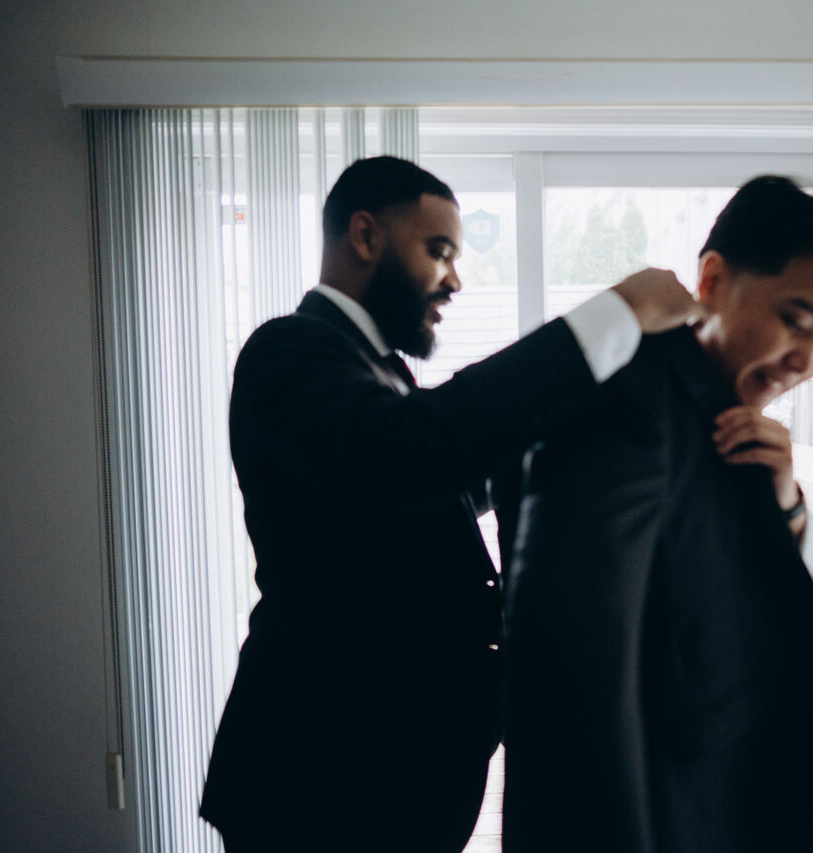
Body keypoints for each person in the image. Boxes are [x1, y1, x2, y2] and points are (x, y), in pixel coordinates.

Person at [198, 156, 698, 852]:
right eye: (439, 252)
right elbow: (412, 452)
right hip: (318, 780)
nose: (455, 280)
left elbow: (441, 481)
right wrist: (615, 314)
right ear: (365, 236)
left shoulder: (379, 372)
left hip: (386, 781)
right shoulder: (286, 352)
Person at [498, 175, 813, 853]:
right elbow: (577, 667)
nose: (806, 362)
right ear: (711, 280)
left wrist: (785, 504)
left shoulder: (732, 425)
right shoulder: (630, 404)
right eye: (796, 322)